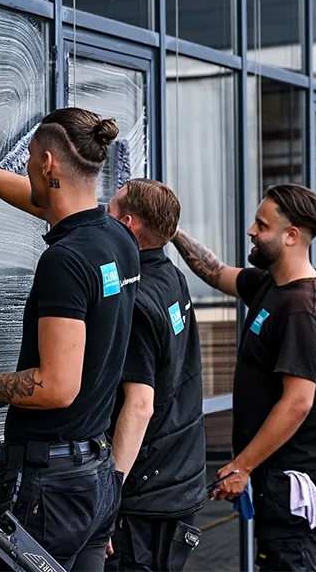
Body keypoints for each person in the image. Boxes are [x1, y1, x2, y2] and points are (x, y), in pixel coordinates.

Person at [0, 108, 141, 572]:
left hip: (47, 490)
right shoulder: (117, 239)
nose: (28, 168)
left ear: (49, 164)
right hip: (92, 478)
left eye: (32, 157)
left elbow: (58, 386)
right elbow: (46, 203)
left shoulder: (65, 261)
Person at [171, 183, 316, 572]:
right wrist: (172, 229)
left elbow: (298, 402)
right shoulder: (272, 284)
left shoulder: (303, 309)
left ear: (290, 236)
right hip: (278, 466)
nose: (252, 231)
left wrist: (243, 466)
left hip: (298, 471)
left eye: (261, 225)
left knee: (292, 561)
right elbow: (216, 273)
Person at [104, 179, 205, 572]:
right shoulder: (171, 277)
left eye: (109, 209)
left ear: (128, 223)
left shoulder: (138, 300)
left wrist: (107, 499)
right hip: (178, 481)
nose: (102, 216)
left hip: (144, 498)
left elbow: (140, 405)